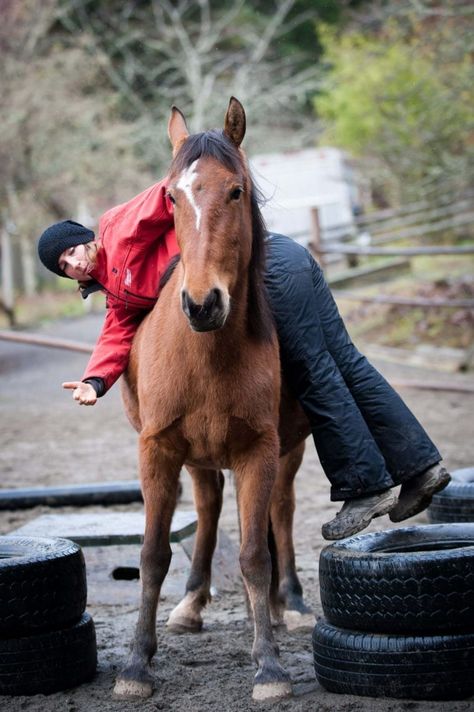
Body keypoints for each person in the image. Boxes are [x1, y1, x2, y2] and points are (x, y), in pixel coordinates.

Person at [37, 176, 450, 540]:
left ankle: (365, 486)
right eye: (63, 265)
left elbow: (177, 190)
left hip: (265, 267)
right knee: (346, 362)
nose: (73, 262)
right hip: (287, 258)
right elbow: (116, 333)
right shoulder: (114, 288)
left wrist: (196, 164)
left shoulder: (116, 225)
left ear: (85, 235)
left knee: (313, 371)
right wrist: (94, 381)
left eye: (71, 251)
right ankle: (420, 467)